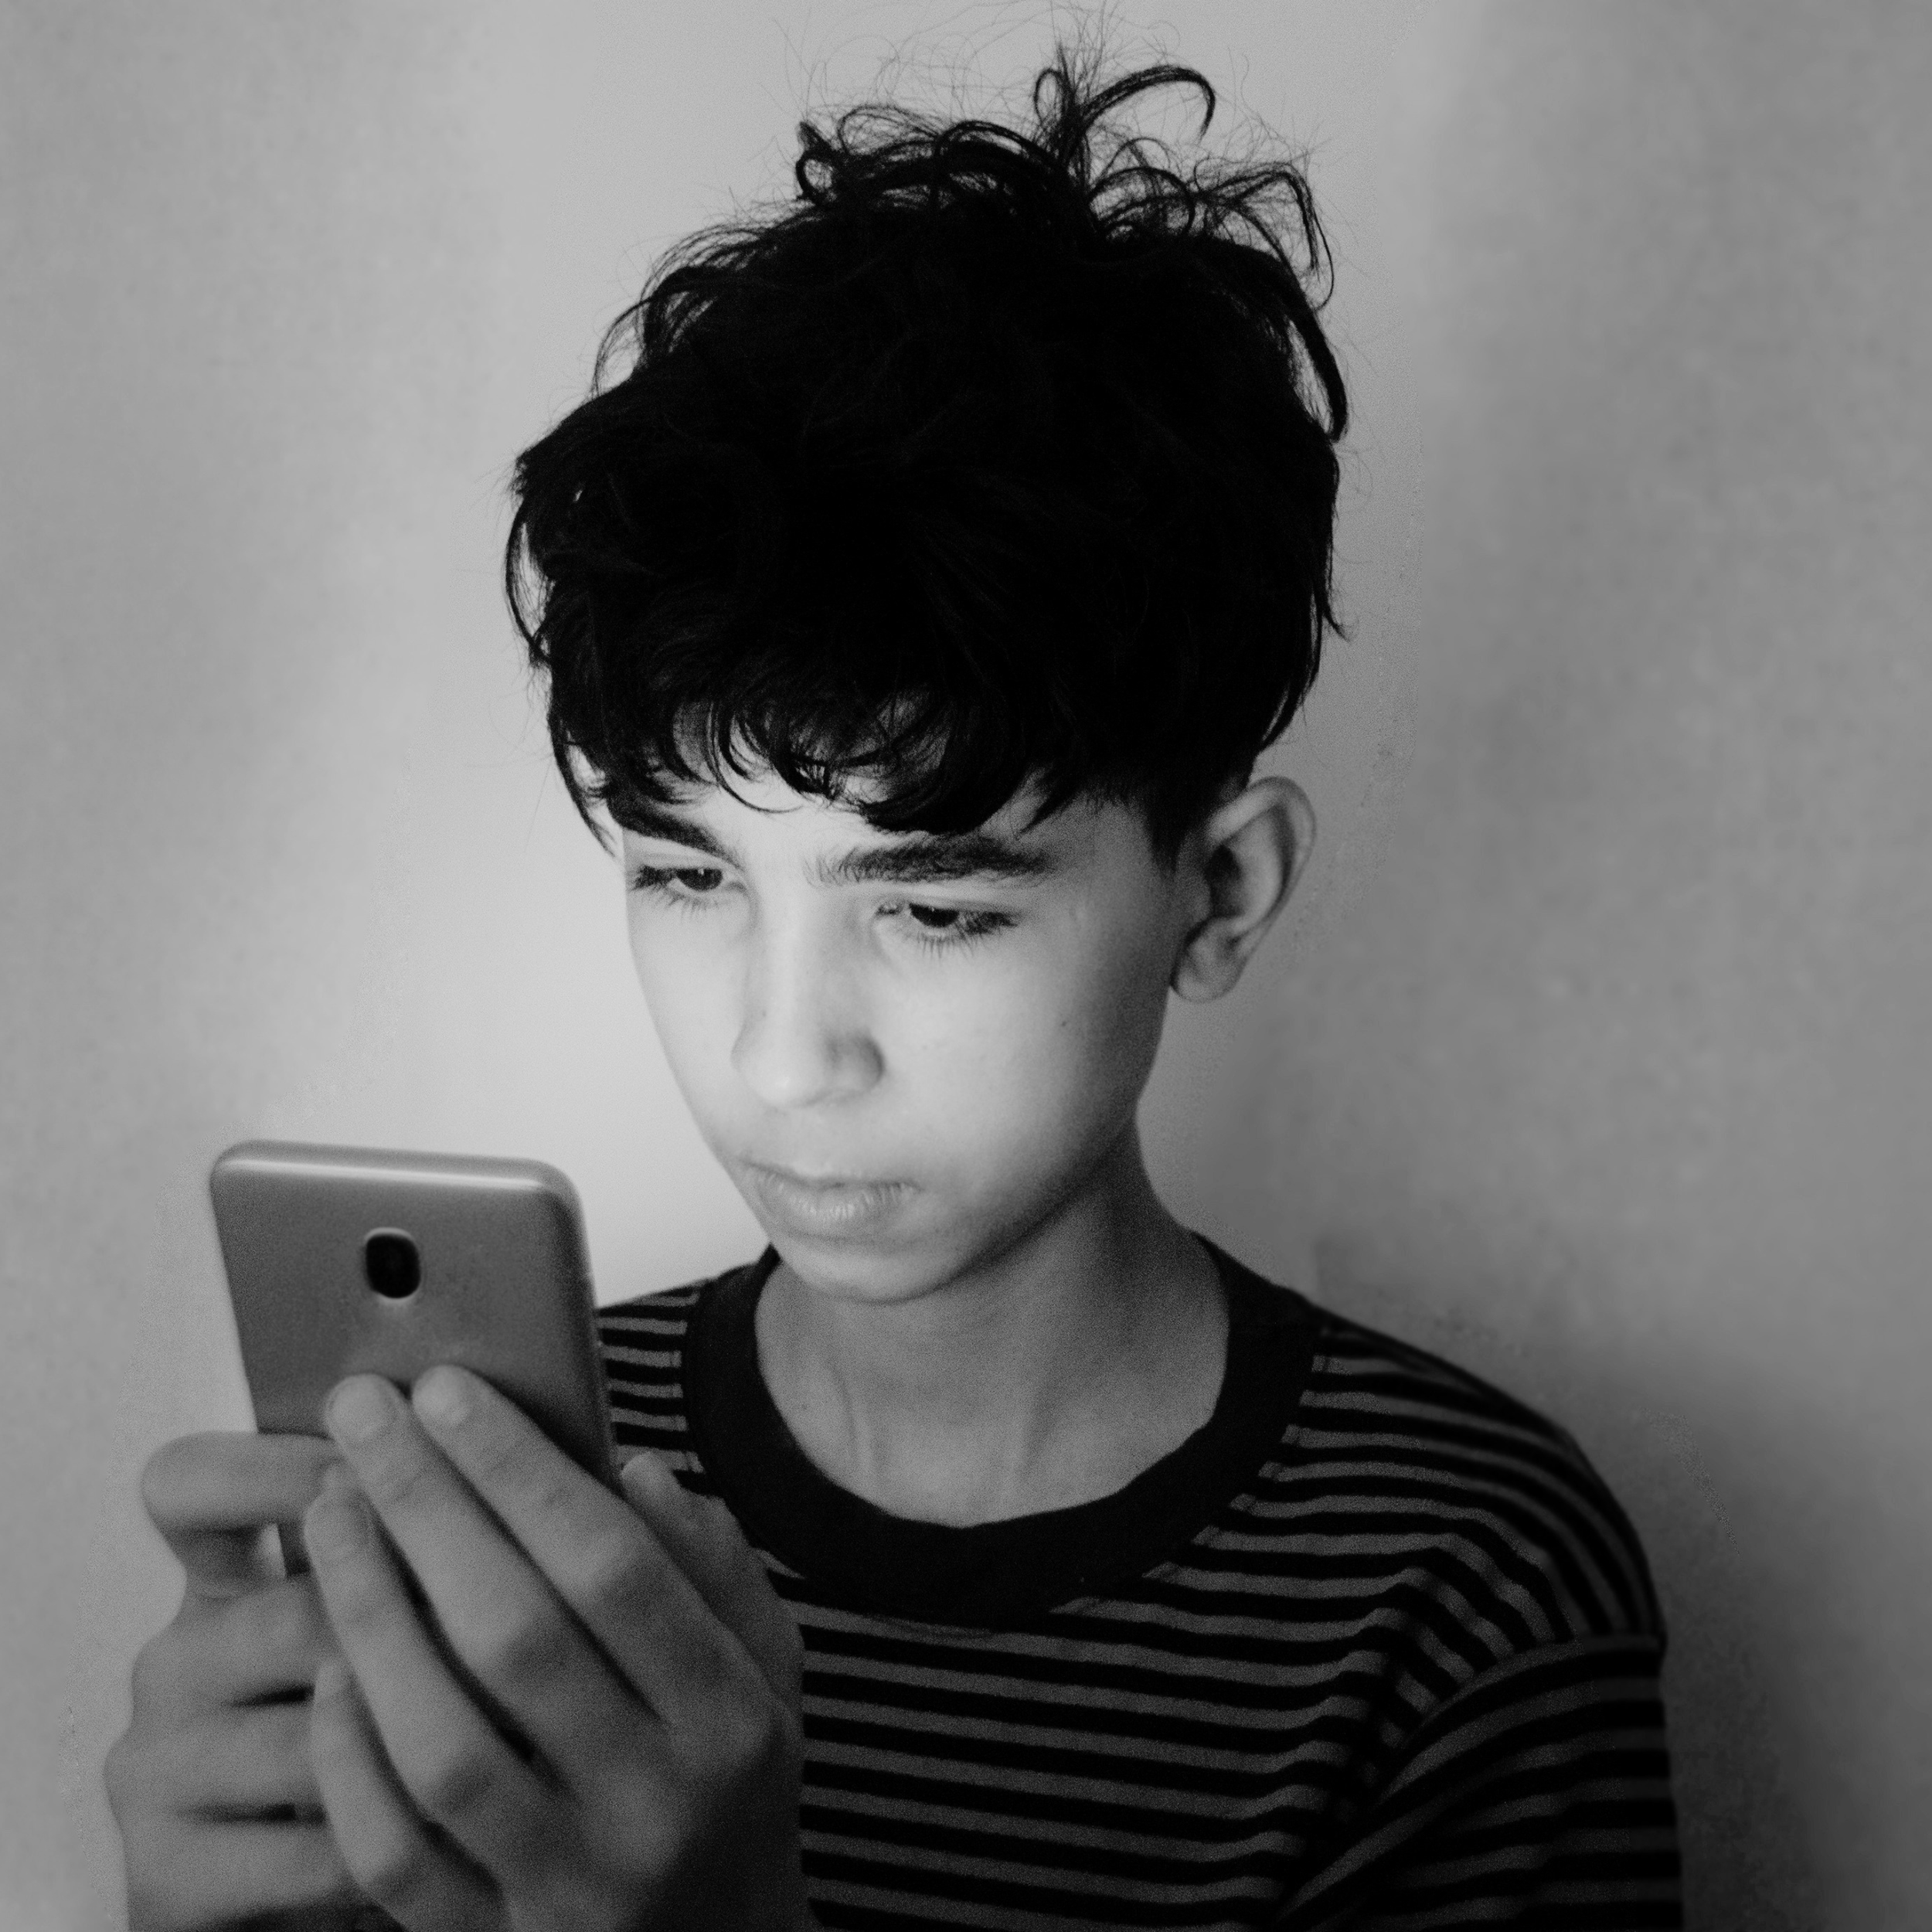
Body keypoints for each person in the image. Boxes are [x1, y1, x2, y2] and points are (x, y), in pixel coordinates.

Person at [105, 33, 1682, 1931]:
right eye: (690, 873)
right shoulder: (531, 1486)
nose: (781, 1057)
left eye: (932, 908)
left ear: (1218, 889)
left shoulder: (1452, 1592)